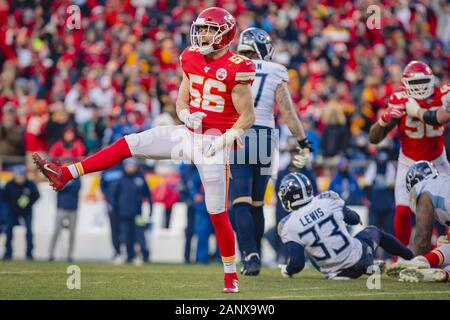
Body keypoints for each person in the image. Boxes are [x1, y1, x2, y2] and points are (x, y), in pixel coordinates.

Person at [33, 7, 255, 293]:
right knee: (130, 143)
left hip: (215, 143)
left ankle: (229, 275)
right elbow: (181, 102)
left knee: (217, 213)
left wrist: (223, 140)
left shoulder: (238, 66)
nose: (202, 34)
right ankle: (66, 173)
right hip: (187, 134)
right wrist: (186, 116)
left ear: (225, 34)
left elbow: (247, 117)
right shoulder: (190, 56)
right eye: (200, 28)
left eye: (209, 29)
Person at [230, 27, 312, 276]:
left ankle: (250, 256)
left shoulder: (231, 67)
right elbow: (288, 112)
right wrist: (303, 141)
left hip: (240, 133)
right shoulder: (275, 70)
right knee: (256, 204)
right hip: (266, 136)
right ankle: (255, 255)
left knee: (240, 203)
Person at [369, 61, 450, 246]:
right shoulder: (399, 99)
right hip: (409, 162)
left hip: (437, 160)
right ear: (405, 84)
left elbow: (436, 119)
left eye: (423, 81)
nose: (420, 87)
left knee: (448, 207)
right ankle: (402, 256)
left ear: (432, 80)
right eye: (415, 83)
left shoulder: (443, 94)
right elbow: (374, 139)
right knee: (403, 211)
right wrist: (383, 121)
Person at [276, 172, 414, 279]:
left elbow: (297, 263)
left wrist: (287, 270)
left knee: (311, 249)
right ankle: (411, 258)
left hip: (334, 272)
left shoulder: (287, 225)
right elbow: (354, 219)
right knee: (373, 231)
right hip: (359, 258)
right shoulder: (327, 199)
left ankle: (364, 267)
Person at [385, 161, 450, 282]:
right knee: (446, 247)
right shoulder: (443, 181)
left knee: (443, 247)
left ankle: (421, 263)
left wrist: (420, 257)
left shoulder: (424, 189)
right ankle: (442, 273)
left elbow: (422, 237)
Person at [112, 158, 152, 264]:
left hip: (138, 213)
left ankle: (144, 255)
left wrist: (150, 209)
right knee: (125, 235)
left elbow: (148, 195)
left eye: (132, 165)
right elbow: (114, 197)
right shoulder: (120, 180)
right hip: (123, 214)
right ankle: (129, 256)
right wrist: (115, 210)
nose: (130, 168)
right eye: (128, 166)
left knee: (140, 235)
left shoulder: (140, 179)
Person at [363, 150, 396, 259]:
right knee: (372, 233)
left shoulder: (390, 167)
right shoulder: (372, 167)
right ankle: (373, 257)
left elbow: (392, 184)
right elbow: (366, 183)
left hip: (387, 207)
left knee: (389, 233)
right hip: (375, 206)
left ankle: (388, 257)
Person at [3, 166, 40, 260]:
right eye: (18, 176)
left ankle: (29, 254)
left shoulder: (30, 184)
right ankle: (8, 253)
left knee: (29, 231)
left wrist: (28, 204)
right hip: (12, 211)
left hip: (26, 211)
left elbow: (36, 196)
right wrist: (10, 208)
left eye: (22, 176)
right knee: (9, 231)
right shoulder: (9, 185)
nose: (20, 178)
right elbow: (4, 198)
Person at [48, 161, 81, 263]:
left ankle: (70, 255)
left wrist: (65, 185)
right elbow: (57, 188)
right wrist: (65, 185)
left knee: (72, 233)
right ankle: (51, 254)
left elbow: (76, 188)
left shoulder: (77, 177)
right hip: (61, 207)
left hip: (73, 208)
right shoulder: (59, 175)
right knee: (56, 231)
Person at [100, 165, 123, 262]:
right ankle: (117, 251)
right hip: (112, 204)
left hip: (123, 204)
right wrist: (110, 197)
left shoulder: (122, 167)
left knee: (125, 229)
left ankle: (127, 251)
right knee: (114, 230)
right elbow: (102, 187)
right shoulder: (106, 171)